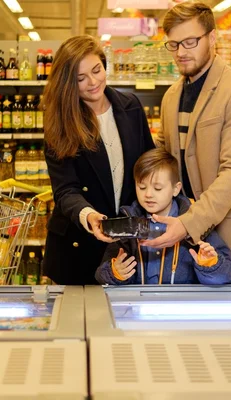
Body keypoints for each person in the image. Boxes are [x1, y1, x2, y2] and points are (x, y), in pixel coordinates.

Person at [143, 2, 231, 283]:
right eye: (174, 44)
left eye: (190, 42)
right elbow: (164, 160)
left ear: (213, 38)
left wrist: (188, 223)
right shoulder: (171, 97)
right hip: (181, 237)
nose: (181, 52)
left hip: (227, 233)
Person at [42, 35, 154, 285]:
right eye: (81, 78)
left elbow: (148, 164)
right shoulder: (60, 122)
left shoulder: (131, 106)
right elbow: (65, 190)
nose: (93, 82)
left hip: (126, 244)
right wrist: (88, 215)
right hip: (77, 248)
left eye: (97, 70)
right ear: (67, 83)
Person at [95, 148, 231, 285]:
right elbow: (101, 274)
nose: (148, 194)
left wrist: (209, 265)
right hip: (139, 306)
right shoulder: (128, 221)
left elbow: (229, 275)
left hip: (183, 306)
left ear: (176, 189)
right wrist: (116, 273)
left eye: (157, 188)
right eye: (142, 187)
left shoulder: (194, 220)